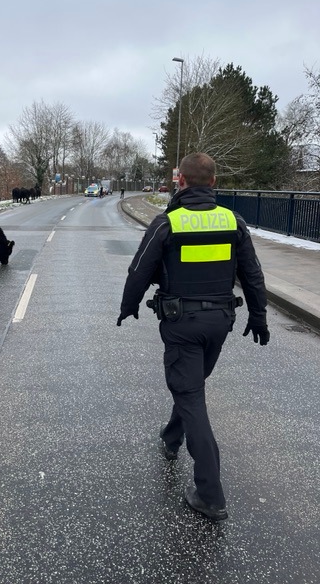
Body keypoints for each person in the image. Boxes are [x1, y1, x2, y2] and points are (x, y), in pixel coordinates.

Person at [117, 153, 269, 521]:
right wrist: (259, 316)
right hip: (220, 321)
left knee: (190, 393)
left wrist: (129, 304)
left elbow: (140, 270)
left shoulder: (167, 222)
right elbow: (252, 273)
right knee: (192, 385)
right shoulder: (234, 221)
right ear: (214, 183)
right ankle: (172, 437)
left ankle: (210, 494)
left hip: (181, 322)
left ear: (180, 181)